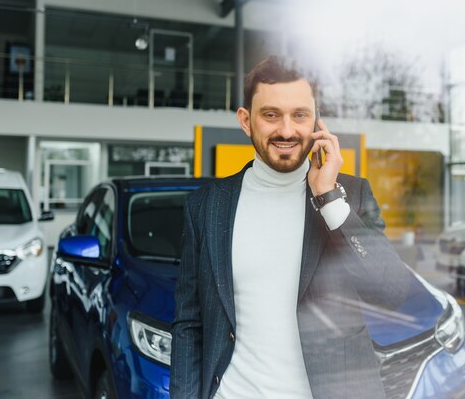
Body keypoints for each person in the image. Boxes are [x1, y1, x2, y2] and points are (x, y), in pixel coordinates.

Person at [171, 55, 410, 399]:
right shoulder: (206, 206)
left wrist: (328, 197)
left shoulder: (351, 197)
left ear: (316, 121)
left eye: (300, 115)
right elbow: (189, 325)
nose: (286, 130)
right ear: (246, 120)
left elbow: (392, 292)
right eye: (271, 115)